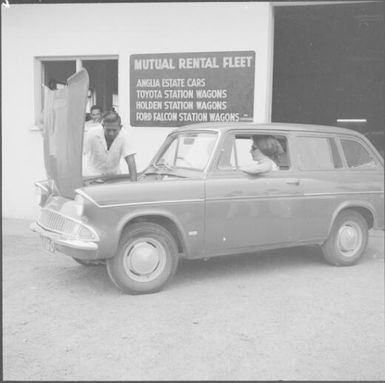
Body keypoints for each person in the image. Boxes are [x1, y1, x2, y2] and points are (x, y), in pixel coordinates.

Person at [83, 111, 137, 181]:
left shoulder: (125, 136)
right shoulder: (92, 134)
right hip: (92, 177)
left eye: (114, 130)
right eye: (108, 130)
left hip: (113, 177)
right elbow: (79, 154)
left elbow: (131, 161)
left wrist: (133, 185)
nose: (111, 133)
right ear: (103, 126)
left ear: (120, 127)